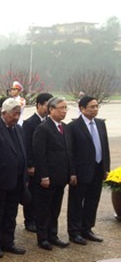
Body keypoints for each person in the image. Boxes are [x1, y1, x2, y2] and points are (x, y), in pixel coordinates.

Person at [0, 98, 28, 258]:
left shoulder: (18, 129)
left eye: (18, 114)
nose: (16, 117)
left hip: (15, 180)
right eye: (13, 114)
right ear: (3, 113)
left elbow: (22, 152)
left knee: (11, 213)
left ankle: (8, 242)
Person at [67, 96, 110, 244]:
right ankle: (74, 231)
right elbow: (70, 152)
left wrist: (106, 168)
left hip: (97, 169)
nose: (95, 109)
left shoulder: (100, 124)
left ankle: (87, 228)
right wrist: (72, 172)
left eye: (96, 106)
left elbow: (105, 147)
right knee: (76, 202)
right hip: (80, 171)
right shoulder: (73, 126)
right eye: (92, 107)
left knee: (93, 200)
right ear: (82, 108)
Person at [33, 96, 73, 251]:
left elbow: (69, 152)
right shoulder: (43, 128)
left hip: (61, 176)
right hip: (47, 177)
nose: (63, 111)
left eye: (65, 108)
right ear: (51, 110)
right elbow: (39, 154)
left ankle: (53, 234)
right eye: (60, 108)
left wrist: (71, 173)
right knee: (44, 209)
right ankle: (42, 238)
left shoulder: (65, 128)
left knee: (55, 208)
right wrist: (43, 175)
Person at [22, 93, 53, 232]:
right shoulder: (29, 123)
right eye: (46, 105)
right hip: (33, 166)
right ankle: (30, 220)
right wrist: (30, 164)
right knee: (32, 195)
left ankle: (42, 220)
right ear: (39, 105)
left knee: (43, 196)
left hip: (46, 165)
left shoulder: (50, 122)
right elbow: (26, 145)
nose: (48, 108)